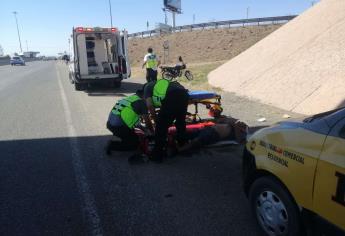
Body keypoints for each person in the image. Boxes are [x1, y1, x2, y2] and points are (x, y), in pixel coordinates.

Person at [144, 79, 189, 162]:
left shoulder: (146, 88)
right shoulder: (161, 83)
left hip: (172, 96)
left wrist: (156, 119)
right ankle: (183, 146)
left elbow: (150, 105)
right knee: (180, 122)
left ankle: (157, 156)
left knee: (161, 127)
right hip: (184, 93)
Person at [106, 90, 153, 154]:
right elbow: (148, 123)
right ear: (144, 96)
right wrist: (152, 134)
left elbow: (136, 120)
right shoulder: (141, 103)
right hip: (118, 128)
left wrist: (143, 129)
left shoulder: (130, 98)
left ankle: (121, 137)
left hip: (110, 124)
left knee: (134, 135)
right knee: (135, 144)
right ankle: (112, 145)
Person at [178, 116, 248, 153]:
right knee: (189, 133)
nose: (241, 123)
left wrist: (236, 126)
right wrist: (228, 120)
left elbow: (239, 140)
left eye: (243, 125)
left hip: (214, 134)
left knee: (197, 140)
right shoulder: (231, 123)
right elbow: (218, 120)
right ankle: (174, 141)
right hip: (208, 128)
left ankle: (179, 150)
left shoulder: (240, 132)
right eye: (242, 123)